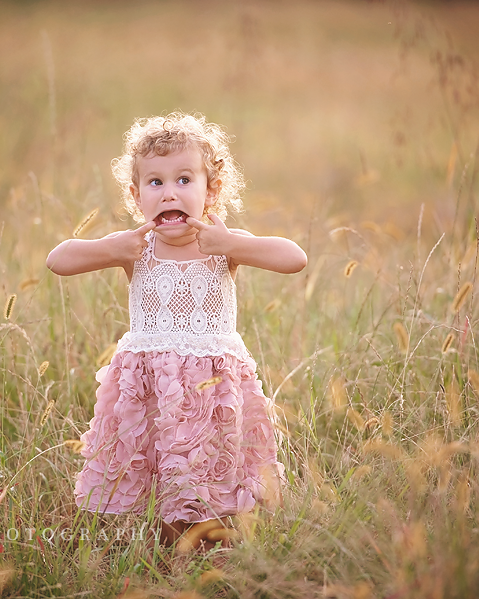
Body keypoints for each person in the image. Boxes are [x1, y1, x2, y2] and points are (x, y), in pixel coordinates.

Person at [46, 112, 307, 551]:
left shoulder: (223, 245)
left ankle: (214, 558)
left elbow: (294, 257)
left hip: (213, 391)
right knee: (161, 477)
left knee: (213, 479)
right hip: (151, 392)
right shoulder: (135, 250)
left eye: (185, 180)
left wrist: (233, 245)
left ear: (212, 191)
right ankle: (168, 558)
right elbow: (59, 259)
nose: (170, 192)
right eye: (156, 183)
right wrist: (109, 247)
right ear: (137, 196)